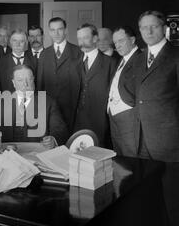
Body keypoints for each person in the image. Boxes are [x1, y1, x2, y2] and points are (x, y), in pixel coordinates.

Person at [134, 11, 179, 162]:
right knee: (148, 184)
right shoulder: (139, 59)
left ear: (164, 28)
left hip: (170, 142)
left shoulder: (175, 56)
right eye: (144, 27)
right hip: (142, 140)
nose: (149, 31)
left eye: (154, 26)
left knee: (170, 184)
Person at [0, 65, 68, 146]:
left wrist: (54, 139)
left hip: (37, 153)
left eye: (29, 79)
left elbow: (60, 130)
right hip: (8, 154)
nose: (25, 84)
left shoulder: (49, 103)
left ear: (33, 79)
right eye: (20, 80)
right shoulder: (2, 104)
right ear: (13, 83)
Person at [73, 23, 117, 148]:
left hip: (100, 122)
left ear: (95, 38)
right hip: (77, 121)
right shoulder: (74, 63)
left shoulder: (110, 63)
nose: (81, 42)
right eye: (79, 38)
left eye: (85, 38)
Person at [36, 17, 82, 132]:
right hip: (50, 107)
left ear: (65, 30)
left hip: (71, 107)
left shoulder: (78, 52)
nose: (56, 33)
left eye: (60, 29)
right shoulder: (44, 54)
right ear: (49, 32)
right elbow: (40, 83)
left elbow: (83, 82)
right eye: (52, 30)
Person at [107, 26, 141, 157]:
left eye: (121, 41)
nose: (118, 46)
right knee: (121, 158)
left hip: (130, 118)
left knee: (132, 158)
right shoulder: (122, 60)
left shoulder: (140, 59)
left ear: (132, 40)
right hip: (115, 118)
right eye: (115, 43)